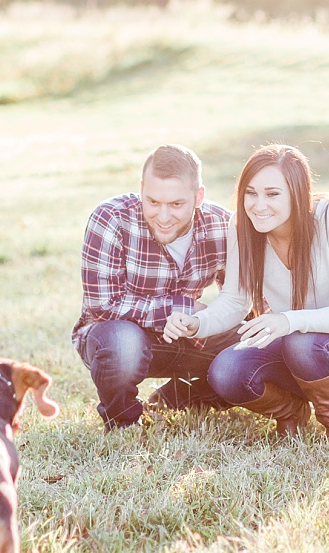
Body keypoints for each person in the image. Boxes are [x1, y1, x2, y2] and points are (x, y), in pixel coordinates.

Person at [163, 144, 329, 444]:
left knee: (302, 342)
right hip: (298, 354)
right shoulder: (242, 225)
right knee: (226, 370)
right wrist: (198, 323)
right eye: (251, 193)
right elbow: (236, 300)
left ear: (297, 193)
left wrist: (286, 321)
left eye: (272, 194)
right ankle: (292, 414)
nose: (258, 205)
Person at [73, 144, 240, 430]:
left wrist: (199, 320)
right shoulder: (111, 218)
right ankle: (123, 421)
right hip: (117, 334)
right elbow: (103, 306)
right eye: (153, 202)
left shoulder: (222, 225)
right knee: (123, 344)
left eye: (176, 204)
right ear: (141, 189)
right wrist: (183, 308)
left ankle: (181, 397)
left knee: (249, 350)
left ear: (198, 196)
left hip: (186, 334)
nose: (163, 217)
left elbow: (240, 298)